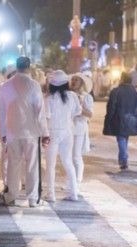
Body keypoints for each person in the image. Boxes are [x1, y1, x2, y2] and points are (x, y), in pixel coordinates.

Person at [0, 56, 50, 207]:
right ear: (29, 67)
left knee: (13, 164)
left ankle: (11, 196)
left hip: (12, 132)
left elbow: (1, 112)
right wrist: (45, 133)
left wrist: (3, 133)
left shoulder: (6, 86)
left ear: (16, 66)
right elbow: (39, 112)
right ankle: (33, 198)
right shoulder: (33, 85)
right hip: (31, 132)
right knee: (32, 164)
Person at [44, 70, 81, 202]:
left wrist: (44, 134)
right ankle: (74, 193)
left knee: (51, 165)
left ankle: (51, 194)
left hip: (53, 132)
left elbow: (46, 117)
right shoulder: (72, 96)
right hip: (67, 131)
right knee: (68, 162)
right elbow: (78, 111)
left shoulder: (48, 98)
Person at [103, 72, 137, 170]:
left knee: (121, 139)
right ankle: (122, 158)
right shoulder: (136, 91)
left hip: (120, 119)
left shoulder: (116, 91)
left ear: (122, 79)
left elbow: (111, 107)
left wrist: (108, 119)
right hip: (133, 119)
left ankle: (123, 160)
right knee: (124, 138)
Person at [70, 73, 94, 183]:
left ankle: (77, 180)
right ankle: (71, 181)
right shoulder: (68, 95)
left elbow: (89, 114)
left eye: (77, 80)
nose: (74, 82)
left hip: (79, 127)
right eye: (73, 80)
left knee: (76, 155)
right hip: (68, 128)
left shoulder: (87, 97)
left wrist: (79, 108)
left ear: (81, 83)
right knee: (68, 157)